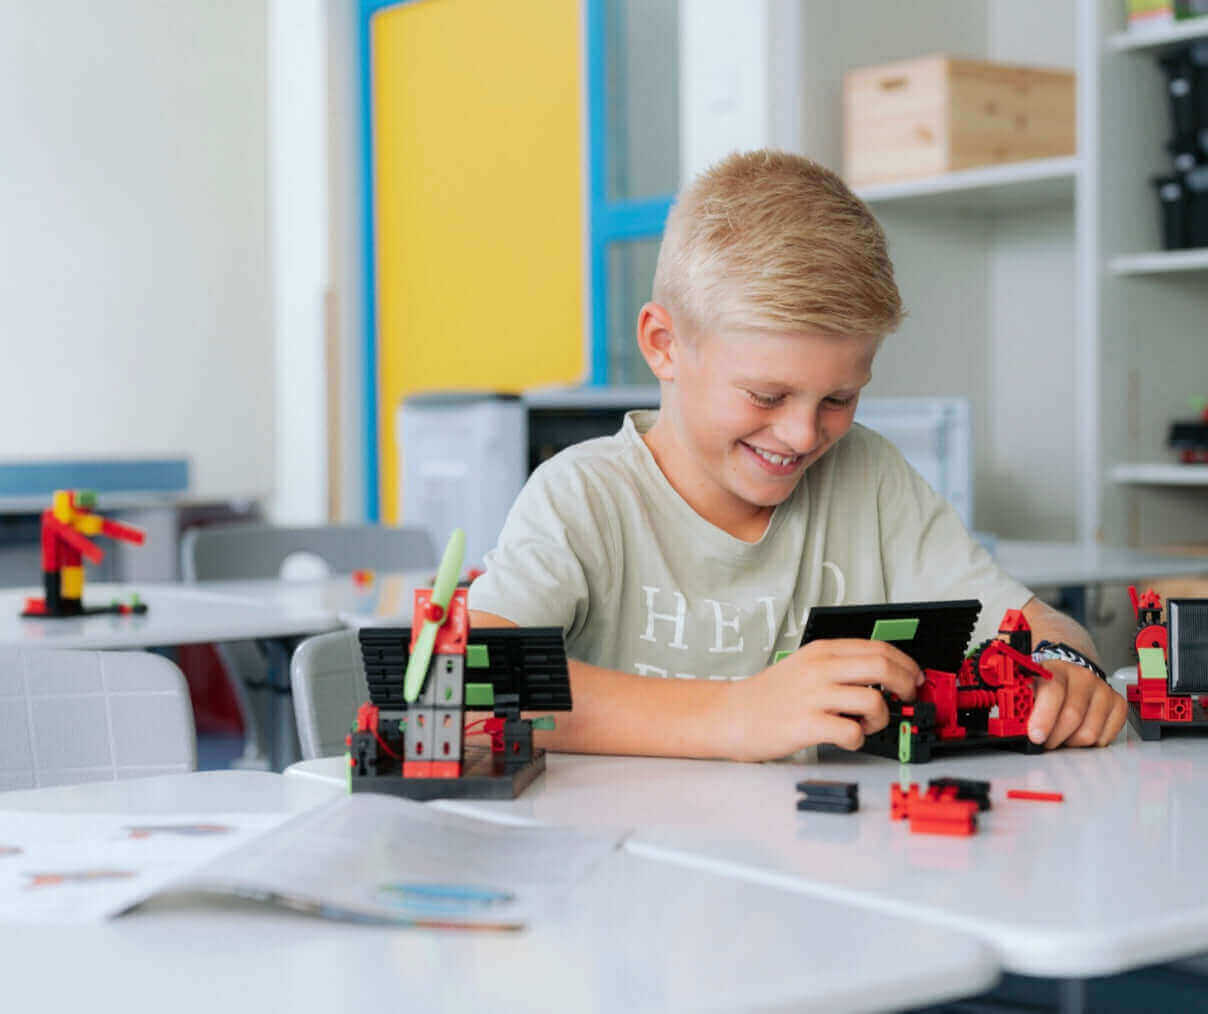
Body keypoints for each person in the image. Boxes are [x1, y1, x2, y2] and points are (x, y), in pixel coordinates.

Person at [467, 149, 1127, 761]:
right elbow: (473, 681)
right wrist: (735, 715)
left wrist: (1070, 667)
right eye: (766, 394)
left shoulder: (871, 481)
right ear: (664, 344)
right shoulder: (583, 498)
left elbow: (1031, 622)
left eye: (839, 398)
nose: (803, 435)